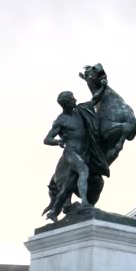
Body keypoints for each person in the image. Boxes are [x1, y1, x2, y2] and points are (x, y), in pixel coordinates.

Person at [43, 79, 108, 221]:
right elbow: (47, 139)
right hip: (71, 153)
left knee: (68, 185)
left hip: (85, 152)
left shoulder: (81, 111)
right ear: (66, 103)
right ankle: (85, 202)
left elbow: (94, 100)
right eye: (73, 99)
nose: (75, 100)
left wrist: (103, 87)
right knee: (83, 171)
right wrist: (58, 141)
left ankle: (54, 211)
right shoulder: (61, 120)